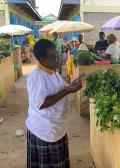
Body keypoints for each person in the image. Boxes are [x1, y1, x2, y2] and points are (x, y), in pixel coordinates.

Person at [26, 39, 82, 168]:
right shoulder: (37, 76)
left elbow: (57, 90)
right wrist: (67, 91)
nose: (57, 59)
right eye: (53, 56)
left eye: (57, 55)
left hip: (57, 125)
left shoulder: (52, 71)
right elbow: (41, 103)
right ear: (42, 59)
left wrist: (70, 87)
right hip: (45, 129)